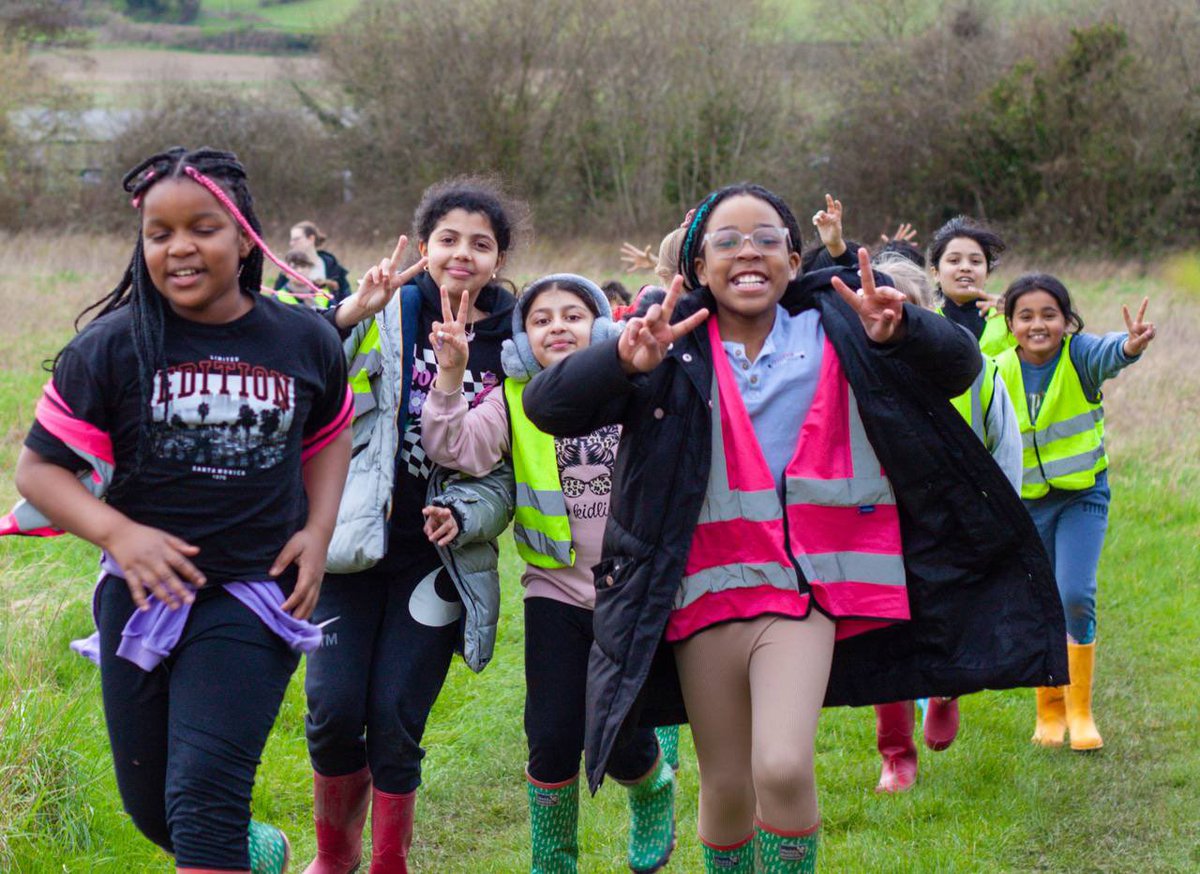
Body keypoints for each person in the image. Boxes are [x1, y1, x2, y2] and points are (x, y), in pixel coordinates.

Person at [522, 183, 1067, 872]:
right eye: (726, 240)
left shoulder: (840, 323)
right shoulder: (669, 341)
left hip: (804, 588)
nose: (747, 251)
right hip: (701, 593)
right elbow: (547, 405)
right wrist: (622, 361)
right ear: (696, 266)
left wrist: (903, 329)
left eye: (766, 239)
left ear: (791, 258)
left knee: (780, 765)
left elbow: (958, 368)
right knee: (724, 784)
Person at [9, 146, 353, 873]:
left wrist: (319, 531)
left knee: (202, 799)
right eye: (159, 233)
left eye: (202, 227)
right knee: (154, 810)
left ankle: (223, 842)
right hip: (138, 597)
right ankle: (254, 854)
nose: (180, 247)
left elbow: (330, 430)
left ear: (245, 237)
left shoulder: (302, 338)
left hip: (252, 593)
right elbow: (39, 472)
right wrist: (118, 534)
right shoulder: (110, 348)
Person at [301, 176, 521, 873]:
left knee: (395, 717)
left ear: (499, 258)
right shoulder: (386, 310)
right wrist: (349, 312)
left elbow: (507, 477)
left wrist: (463, 513)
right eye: (448, 239)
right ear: (423, 247)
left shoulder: (515, 345)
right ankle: (334, 859)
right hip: (349, 544)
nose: (463, 254)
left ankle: (389, 863)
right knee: (334, 712)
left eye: (480, 244)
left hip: (437, 563)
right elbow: (308, 376)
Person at [421, 274, 675, 873]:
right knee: (553, 732)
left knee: (618, 734)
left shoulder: (636, 382)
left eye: (571, 315)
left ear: (601, 326)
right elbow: (455, 446)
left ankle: (651, 784)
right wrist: (453, 375)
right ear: (522, 338)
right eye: (540, 319)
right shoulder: (512, 396)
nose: (556, 326)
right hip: (556, 588)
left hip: (632, 589)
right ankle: (553, 862)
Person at [867, 252, 1022, 793]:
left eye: (905, 308)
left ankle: (946, 690)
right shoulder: (857, 373)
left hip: (956, 520)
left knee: (948, 619)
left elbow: (1006, 443)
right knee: (887, 633)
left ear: (927, 313)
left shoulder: (974, 368)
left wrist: (1005, 520)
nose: (891, 320)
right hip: (880, 521)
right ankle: (896, 756)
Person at [995, 274, 1156, 752]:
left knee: (1075, 594)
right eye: (1026, 316)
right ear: (1010, 323)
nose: (1038, 324)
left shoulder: (1080, 356)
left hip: (1082, 497)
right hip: (1026, 505)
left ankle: (1080, 710)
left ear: (1067, 322)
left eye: (1049, 314)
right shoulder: (997, 369)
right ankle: (1049, 710)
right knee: (1041, 600)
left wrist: (1129, 345)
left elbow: (1110, 352)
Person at [927, 216, 1014, 356]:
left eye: (975, 261)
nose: (965, 267)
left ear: (987, 273)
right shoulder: (925, 321)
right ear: (936, 272)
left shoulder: (1010, 318)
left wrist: (1018, 309)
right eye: (954, 260)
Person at [274, 220, 352, 302]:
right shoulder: (288, 270)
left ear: (311, 238)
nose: (292, 243)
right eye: (291, 240)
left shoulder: (333, 267)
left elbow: (346, 299)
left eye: (296, 239)